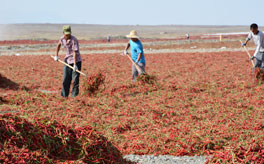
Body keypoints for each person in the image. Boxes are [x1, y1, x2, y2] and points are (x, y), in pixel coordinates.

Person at [53, 25, 82, 97]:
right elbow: (58, 45)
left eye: (69, 34)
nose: (68, 35)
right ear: (63, 33)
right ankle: (64, 96)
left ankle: (74, 96)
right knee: (65, 79)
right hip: (67, 61)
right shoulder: (62, 39)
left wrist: (75, 65)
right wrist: (56, 55)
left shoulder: (74, 40)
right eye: (66, 34)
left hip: (76, 61)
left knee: (75, 80)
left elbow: (74, 52)